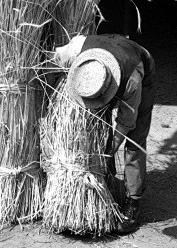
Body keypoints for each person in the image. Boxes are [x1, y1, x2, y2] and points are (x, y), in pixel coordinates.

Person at [53, 33, 155, 234]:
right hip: (109, 62)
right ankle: (107, 178)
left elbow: (127, 122)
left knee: (135, 139)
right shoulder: (80, 51)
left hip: (138, 66)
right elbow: (56, 57)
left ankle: (133, 202)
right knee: (100, 124)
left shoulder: (132, 82)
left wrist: (110, 150)